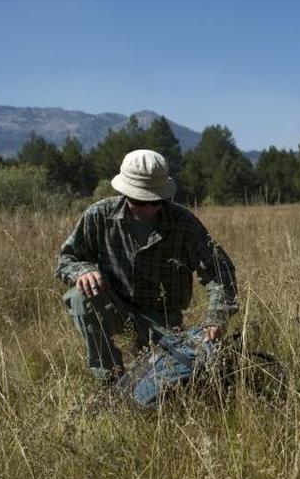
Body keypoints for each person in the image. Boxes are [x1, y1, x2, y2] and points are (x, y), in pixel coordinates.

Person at [56, 149, 238, 383]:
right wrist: (83, 270)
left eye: (153, 201)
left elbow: (221, 273)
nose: (146, 208)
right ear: (124, 192)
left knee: (184, 375)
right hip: (116, 307)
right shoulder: (99, 215)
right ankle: (111, 383)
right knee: (80, 297)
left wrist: (216, 318)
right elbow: (66, 259)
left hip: (163, 322)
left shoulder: (184, 224)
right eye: (137, 200)